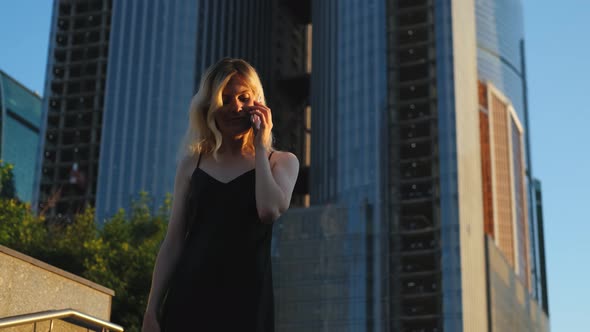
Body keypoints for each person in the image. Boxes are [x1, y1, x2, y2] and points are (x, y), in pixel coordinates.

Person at [142, 58, 299, 331]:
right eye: (225, 100)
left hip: (247, 302)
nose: (236, 107)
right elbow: (174, 240)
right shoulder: (192, 163)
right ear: (209, 107)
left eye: (243, 97)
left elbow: (269, 210)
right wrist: (151, 310)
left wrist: (261, 148)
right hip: (188, 299)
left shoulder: (281, 162)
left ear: (257, 103)